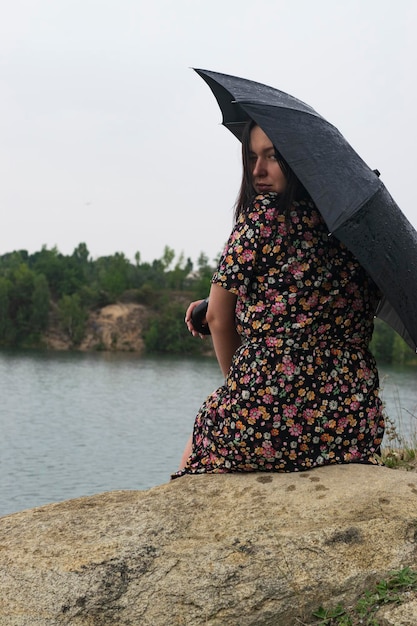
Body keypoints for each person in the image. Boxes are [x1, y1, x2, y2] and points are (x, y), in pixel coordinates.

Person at [172, 120, 385, 478]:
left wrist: (238, 390)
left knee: (209, 421)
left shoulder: (262, 216)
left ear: (302, 160)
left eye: (273, 156)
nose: (258, 170)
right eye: (252, 157)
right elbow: (302, 302)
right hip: (351, 423)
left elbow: (218, 320)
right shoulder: (360, 229)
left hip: (266, 420)